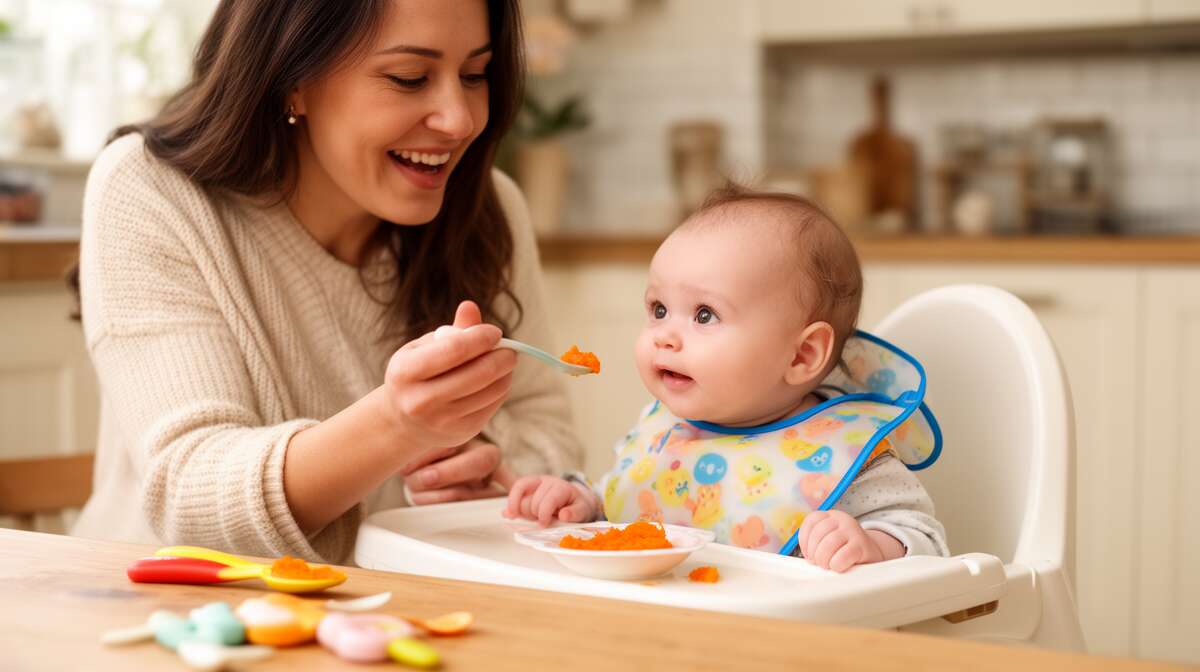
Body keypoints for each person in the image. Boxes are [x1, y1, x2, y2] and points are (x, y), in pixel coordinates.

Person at [71, 0, 582, 563]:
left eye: (474, 75)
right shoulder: (151, 191)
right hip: (168, 603)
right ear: (293, 79)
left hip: (402, 605)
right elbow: (189, 493)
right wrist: (397, 425)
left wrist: (494, 478)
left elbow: (551, 437)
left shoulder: (489, 209)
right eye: (409, 77)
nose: (459, 120)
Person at [504, 187, 948, 572]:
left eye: (704, 315)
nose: (664, 336)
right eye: (659, 309)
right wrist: (582, 502)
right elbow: (628, 499)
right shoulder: (664, 430)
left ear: (802, 355)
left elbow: (926, 539)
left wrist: (872, 545)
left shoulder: (845, 454)